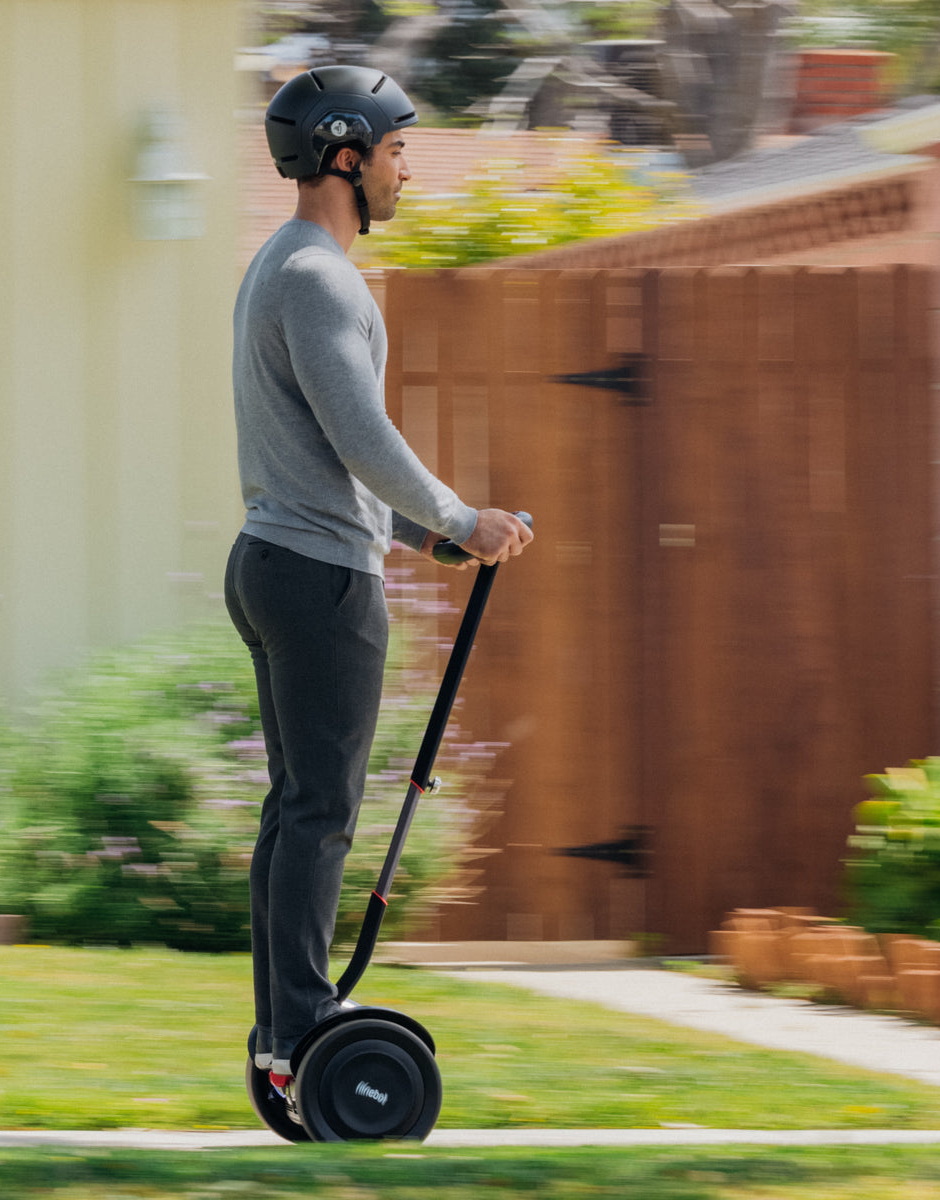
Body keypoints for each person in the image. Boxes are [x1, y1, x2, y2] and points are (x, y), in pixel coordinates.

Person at [224, 65, 532, 1096]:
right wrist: (460, 518)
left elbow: (322, 450)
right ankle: (304, 1019)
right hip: (316, 579)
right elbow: (361, 436)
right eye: (398, 149)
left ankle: (281, 1032)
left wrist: (424, 536)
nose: (411, 168)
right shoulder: (317, 276)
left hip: (280, 559)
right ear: (344, 153)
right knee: (320, 810)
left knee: (295, 807)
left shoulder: (284, 266)